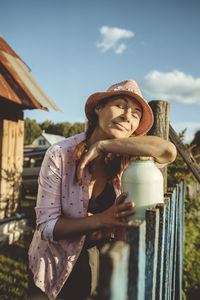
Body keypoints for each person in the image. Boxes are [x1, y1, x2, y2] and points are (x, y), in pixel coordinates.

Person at [28, 79, 177, 300]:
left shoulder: (129, 158)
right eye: (120, 105)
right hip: (53, 265)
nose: (128, 116)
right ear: (99, 108)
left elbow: (168, 151)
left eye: (136, 114)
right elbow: (47, 228)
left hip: (103, 261)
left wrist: (104, 145)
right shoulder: (60, 153)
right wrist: (102, 220)